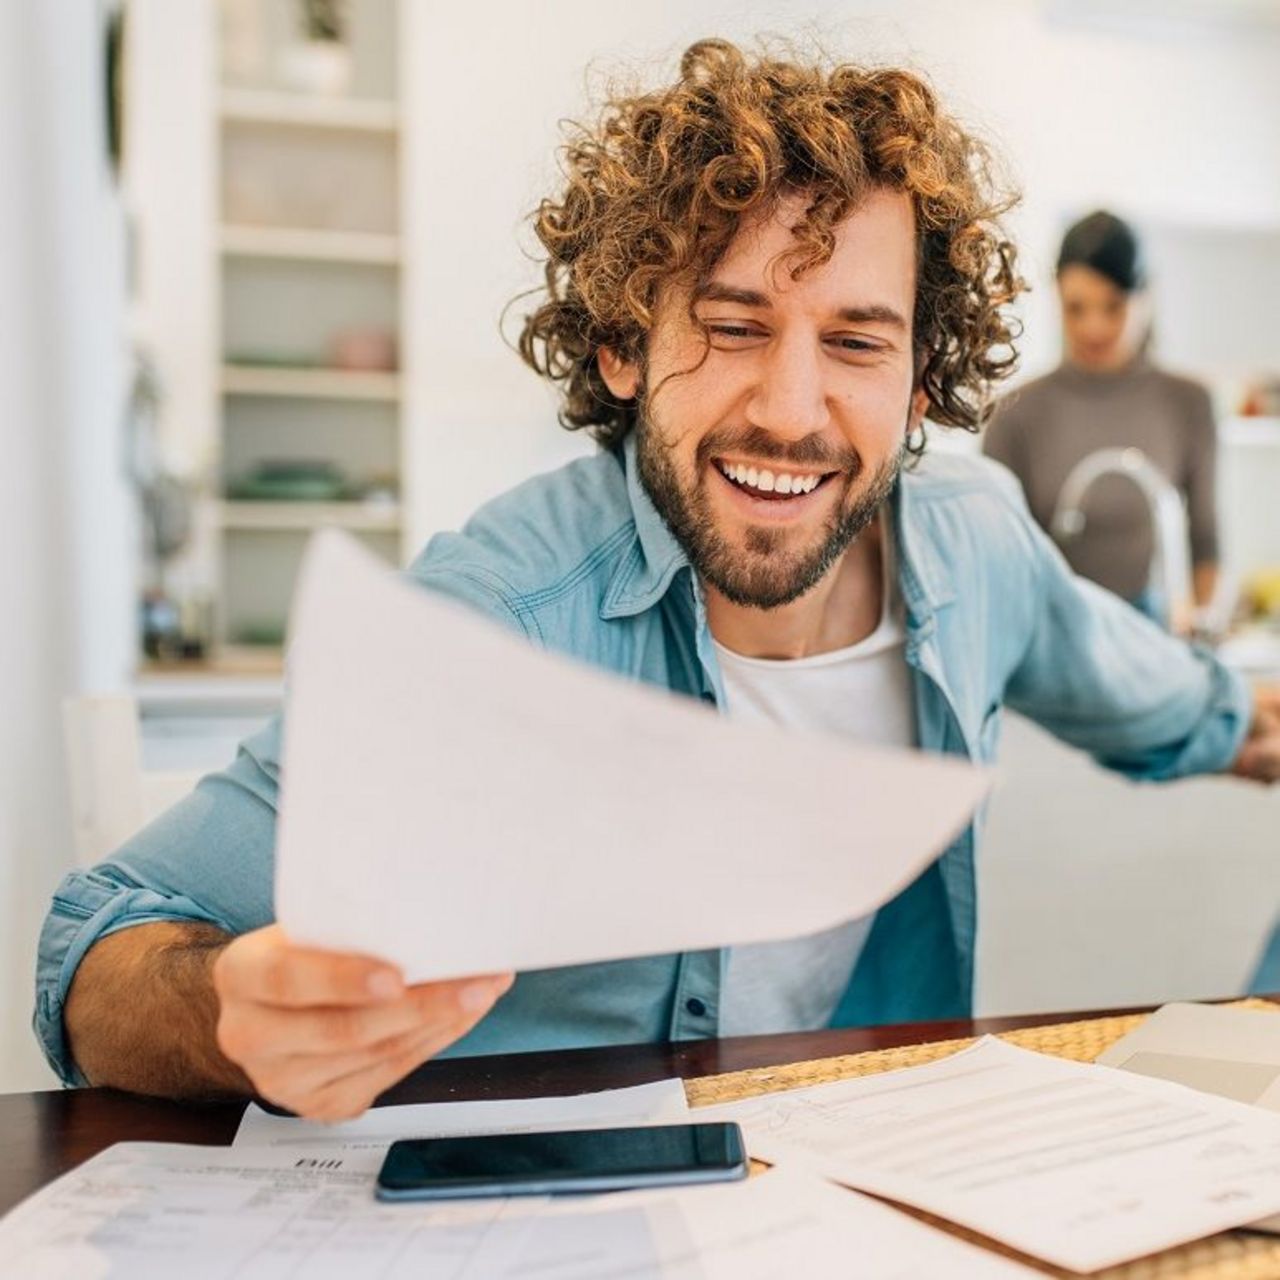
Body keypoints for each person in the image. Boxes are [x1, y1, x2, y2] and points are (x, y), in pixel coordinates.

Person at [35, 40, 1280, 1123]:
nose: (791, 412)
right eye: (731, 325)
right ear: (623, 342)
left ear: (917, 385)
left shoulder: (974, 542)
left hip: (864, 1190)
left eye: (854, 341)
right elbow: (93, 943)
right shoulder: (496, 621)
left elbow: (1185, 706)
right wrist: (227, 1015)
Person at [983, 211, 1219, 626]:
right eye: (1077, 308)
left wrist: (1199, 630)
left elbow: (1206, 543)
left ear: (1146, 297)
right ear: (1056, 297)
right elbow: (998, 556)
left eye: (1114, 306)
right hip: (1051, 638)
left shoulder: (1189, 403)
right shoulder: (1015, 412)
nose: (1094, 326)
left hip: (1155, 637)